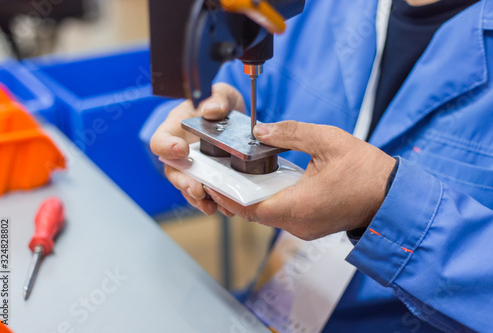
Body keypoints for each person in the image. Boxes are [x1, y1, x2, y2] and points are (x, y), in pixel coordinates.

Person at [143, 0, 493, 331]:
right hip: (279, 303)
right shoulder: (312, 10)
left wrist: (384, 206)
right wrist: (201, 134)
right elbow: (210, 101)